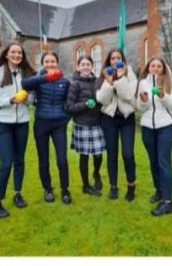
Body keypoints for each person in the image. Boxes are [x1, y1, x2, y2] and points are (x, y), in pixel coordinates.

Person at [0, 40, 36, 218]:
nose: (16, 55)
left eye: (19, 53)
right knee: (6, 163)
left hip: (22, 122)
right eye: (13, 52)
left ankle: (17, 194)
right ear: (6, 54)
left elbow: (31, 99)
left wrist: (26, 99)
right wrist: (10, 100)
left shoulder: (26, 74)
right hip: (2, 123)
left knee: (19, 160)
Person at [21, 51, 71, 204]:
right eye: (47, 61)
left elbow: (70, 103)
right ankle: (47, 189)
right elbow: (24, 84)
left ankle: (65, 190)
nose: (50, 64)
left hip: (59, 125)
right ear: (43, 64)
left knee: (62, 159)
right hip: (41, 124)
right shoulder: (38, 79)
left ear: (57, 63)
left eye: (52, 61)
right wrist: (44, 77)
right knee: (43, 160)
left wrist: (65, 119)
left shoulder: (65, 81)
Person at [137, 56, 172, 216]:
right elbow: (140, 108)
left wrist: (163, 96)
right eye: (152, 66)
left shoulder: (171, 82)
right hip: (147, 127)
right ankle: (159, 191)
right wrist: (144, 101)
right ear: (148, 68)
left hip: (164, 127)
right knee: (153, 162)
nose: (155, 68)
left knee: (163, 163)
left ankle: (168, 203)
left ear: (163, 68)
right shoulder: (143, 83)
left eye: (159, 66)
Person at [96, 47, 137, 201]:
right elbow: (102, 100)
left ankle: (131, 186)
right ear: (109, 61)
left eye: (118, 58)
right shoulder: (104, 74)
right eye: (112, 58)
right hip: (109, 119)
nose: (115, 61)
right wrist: (108, 82)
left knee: (127, 154)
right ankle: (113, 186)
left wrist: (120, 79)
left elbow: (128, 95)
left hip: (127, 118)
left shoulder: (129, 73)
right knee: (112, 155)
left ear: (122, 60)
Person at [66, 55, 105, 197]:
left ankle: (96, 173)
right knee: (84, 156)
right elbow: (69, 107)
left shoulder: (98, 82)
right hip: (82, 124)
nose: (85, 67)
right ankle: (86, 186)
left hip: (97, 123)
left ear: (92, 66)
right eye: (82, 64)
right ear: (78, 67)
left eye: (88, 64)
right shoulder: (74, 84)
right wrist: (85, 104)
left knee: (98, 154)